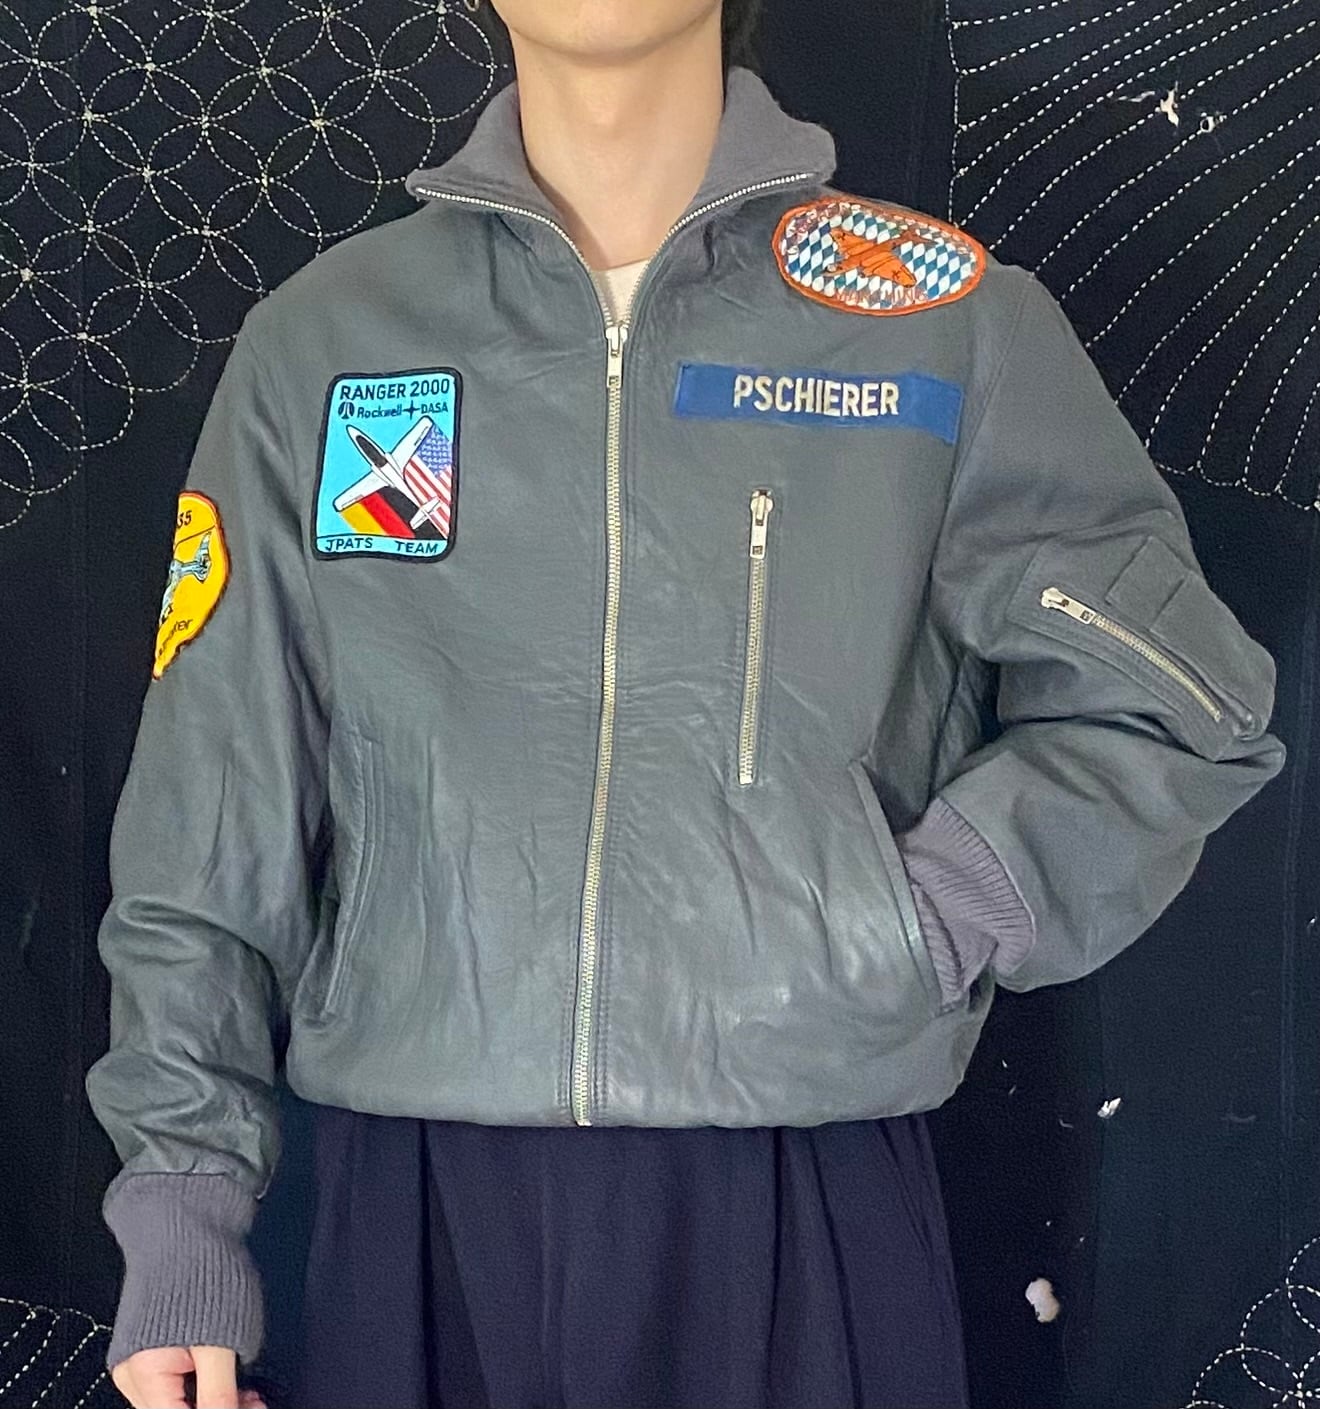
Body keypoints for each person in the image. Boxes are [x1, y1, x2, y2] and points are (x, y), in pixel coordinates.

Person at [84, 1, 1288, 1406]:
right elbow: (215, 805)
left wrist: (909, 923)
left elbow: (1180, 699)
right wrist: (181, 1211)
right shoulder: (328, 343)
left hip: (803, 1193)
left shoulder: (939, 329)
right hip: (416, 1216)